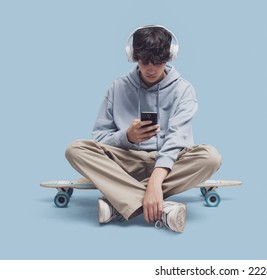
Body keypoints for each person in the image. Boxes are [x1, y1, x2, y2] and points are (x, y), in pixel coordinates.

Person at [65, 25, 222, 233]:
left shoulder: (184, 90)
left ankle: (121, 203)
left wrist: (156, 181)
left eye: (158, 62)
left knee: (210, 157)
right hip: (126, 162)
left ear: (170, 56)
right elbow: (99, 138)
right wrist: (127, 137)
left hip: (170, 164)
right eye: (144, 61)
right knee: (75, 149)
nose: (151, 69)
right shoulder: (118, 87)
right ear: (133, 57)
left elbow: (176, 140)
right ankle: (161, 208)